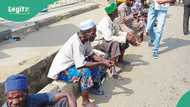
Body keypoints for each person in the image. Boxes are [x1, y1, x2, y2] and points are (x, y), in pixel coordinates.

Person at [47, 19, 114, 106]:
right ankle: (85, 101)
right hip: (62, 71)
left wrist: (105, 61)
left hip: (72, 65)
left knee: (95, 60)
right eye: (93, 33)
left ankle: (93, 86)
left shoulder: (85, 40)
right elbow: (81, 65)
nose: (95, 35)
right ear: (86, 33)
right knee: (85, 72)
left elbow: (92, 55)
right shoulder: (76, 42)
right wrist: (101, 63)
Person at [2, 74, 77, 107]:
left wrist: (68, 95)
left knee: (63, 100)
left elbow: (50, 97)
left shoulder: (31, 100)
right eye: (10, 98)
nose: (15, 102)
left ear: (26, 93)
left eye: (18, 97)